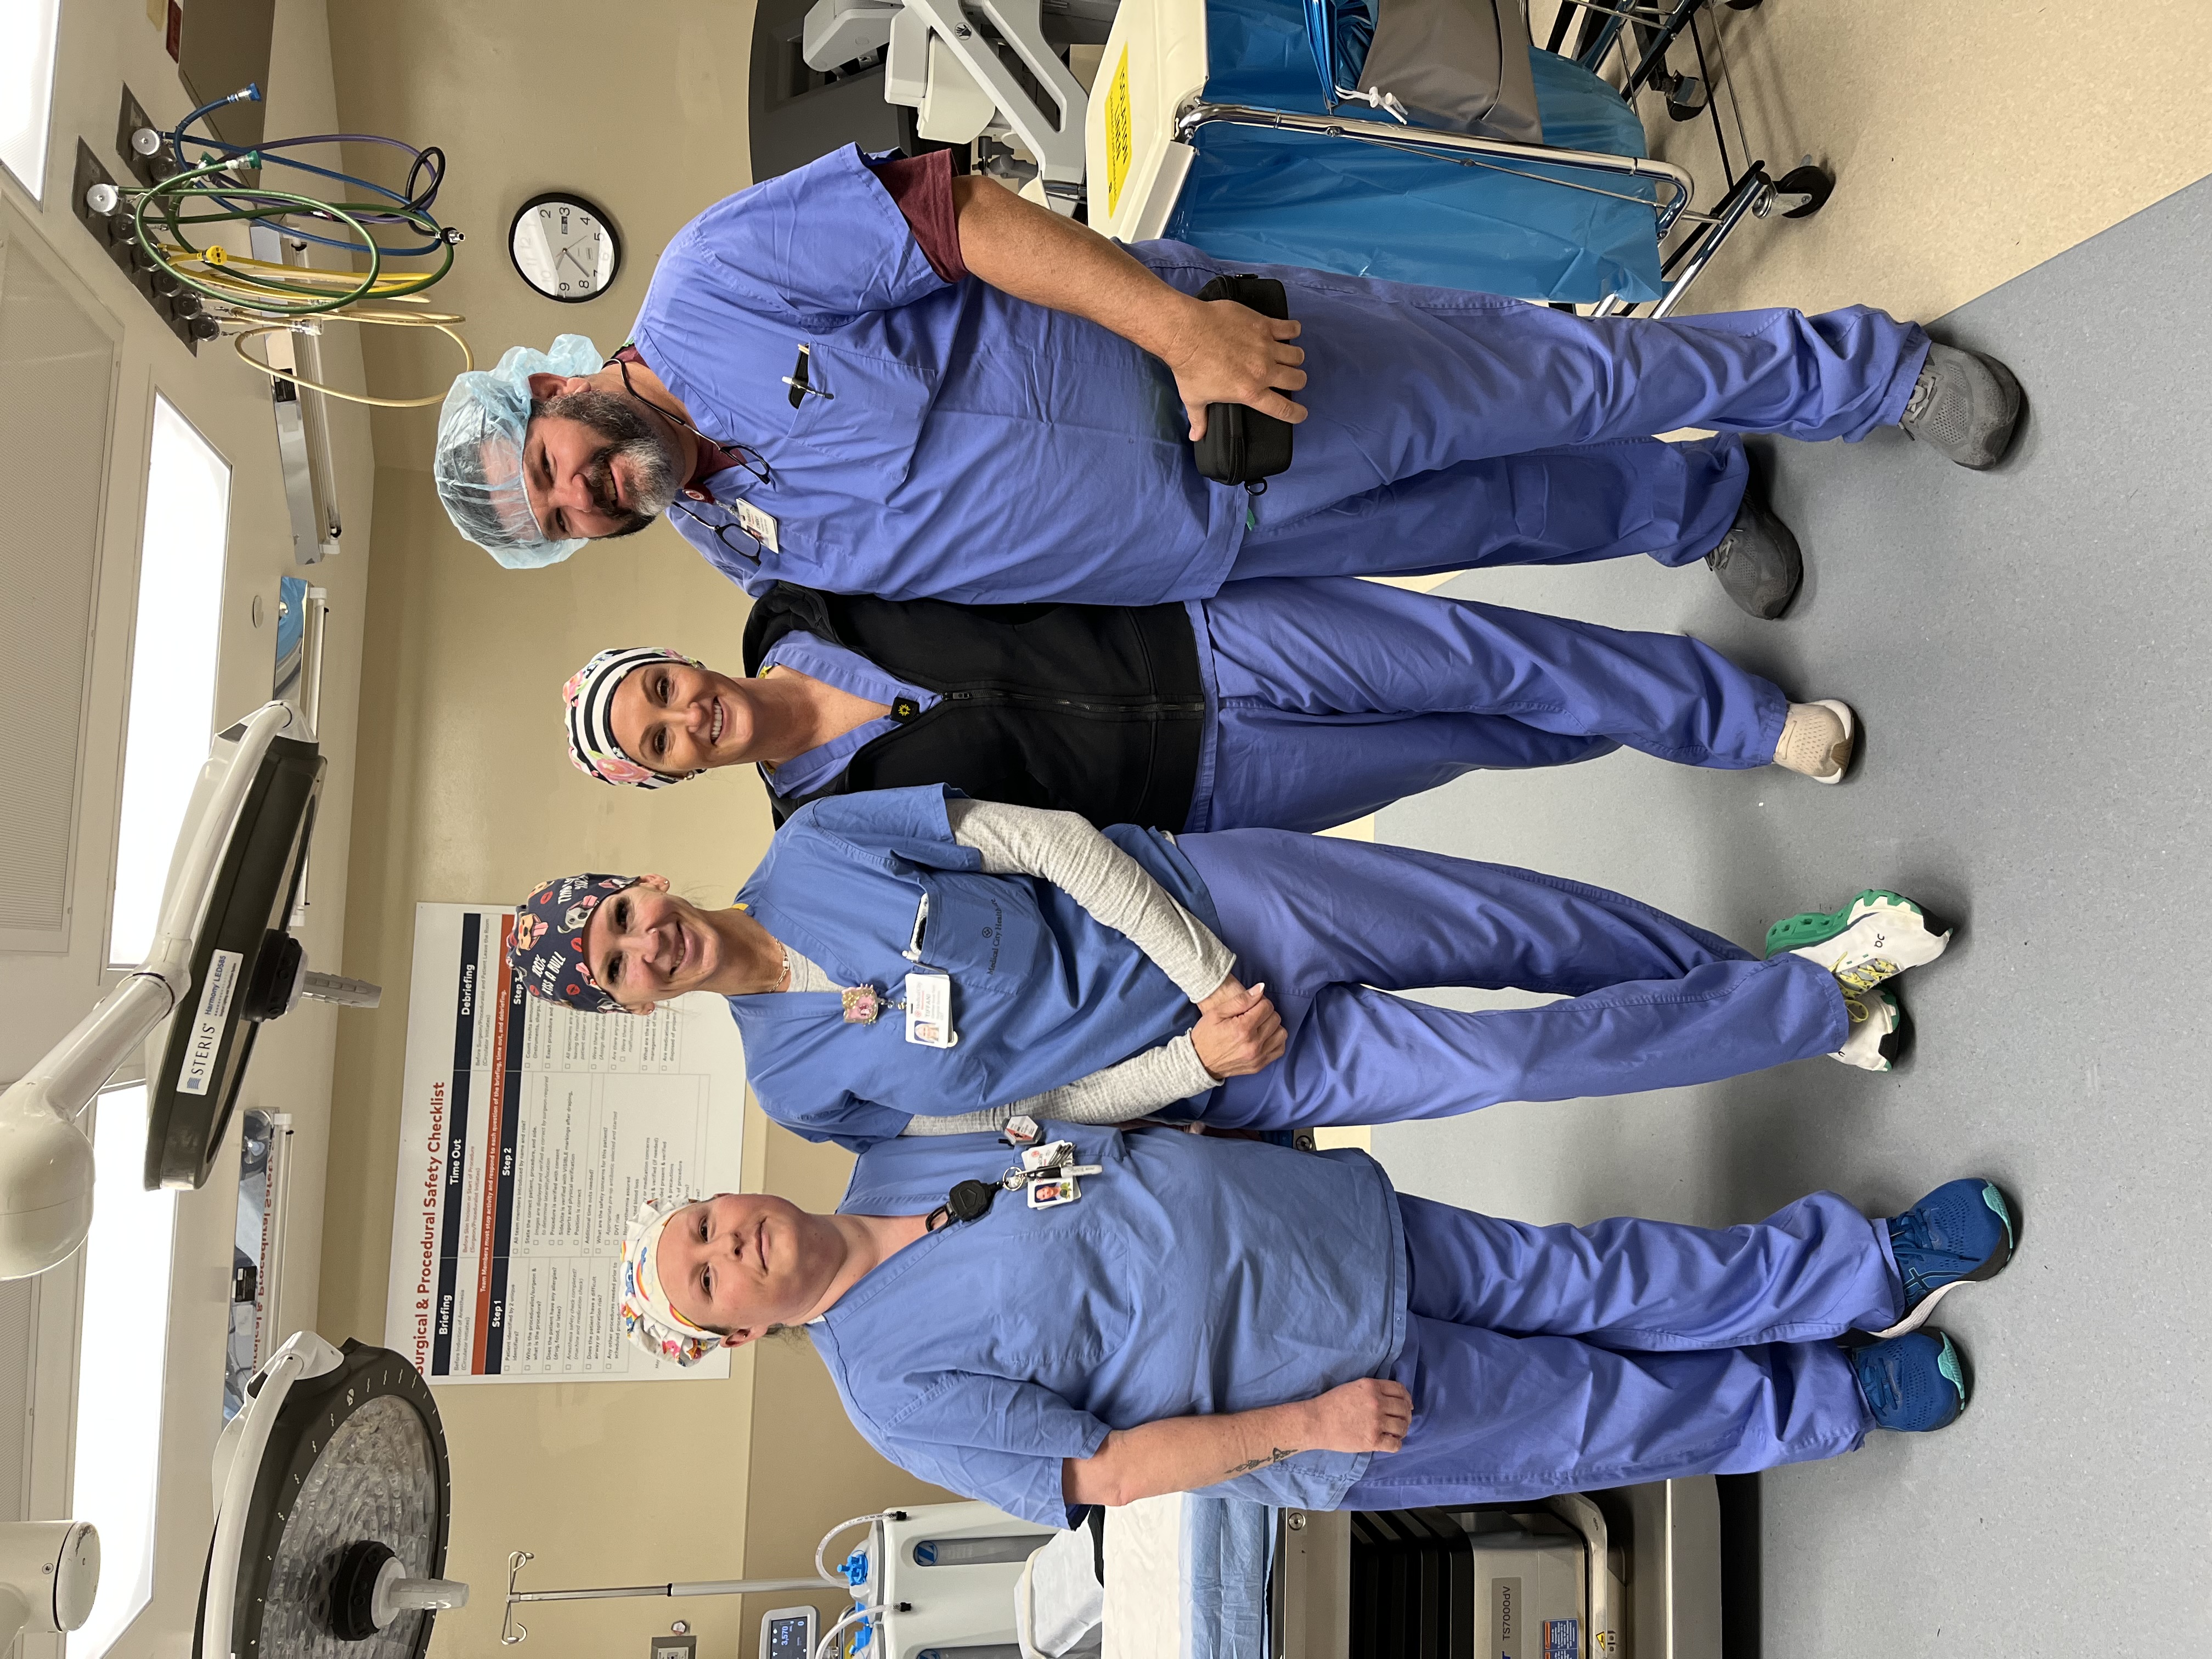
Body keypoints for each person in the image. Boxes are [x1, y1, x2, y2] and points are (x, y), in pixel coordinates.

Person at [431, 146, 2024, 620]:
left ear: (557, 387)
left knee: (1558, 375)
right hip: (1222, 542)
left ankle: (1859, 374)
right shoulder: (725, 542)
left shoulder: (710, 285)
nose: (585, 490)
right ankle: (1694, 503)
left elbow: (954, 214)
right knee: (1504, 512)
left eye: (557, 458)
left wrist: (1187, 334)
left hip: (1216, 382)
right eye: (561, 517)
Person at [613, 1126, 2017, 1522]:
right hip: (1330, 1393)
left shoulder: (896, 1157)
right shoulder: (888, 1389)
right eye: (710, 1279)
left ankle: (1863, 1265)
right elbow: (1101, 1470)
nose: (729, 1244)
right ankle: (1843, 1398)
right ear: (737, 1335)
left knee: (1603, 1276)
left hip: (1335, 1231)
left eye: (706, 1225)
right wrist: (1303, 1427)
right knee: (1603, 1412)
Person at [507, 791, 1953, 1151]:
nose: (649, 946)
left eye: (623, 918)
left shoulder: (818, 843)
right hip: (1237, 1058)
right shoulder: (798, 1091)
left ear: (642, 883)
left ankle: (1781, 985)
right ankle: (1809, 995)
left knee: (1521, 927)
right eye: (621, 971)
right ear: (634, 1006)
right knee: (1512, 1060)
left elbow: (1047, 842)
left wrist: (1204, 971)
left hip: (1219, 904)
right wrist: (1199, 1061)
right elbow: (1033, 1114)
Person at [560, 578, 1858, 831]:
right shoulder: (827, 834)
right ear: (672, 778)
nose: (687, 717)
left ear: (676, 658)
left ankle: (1733, 719)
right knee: (1464, 741)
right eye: (661, 744)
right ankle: (1655, 707)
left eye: (660, 692)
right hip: (1197, 795)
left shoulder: (810, 597)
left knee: (1471, 654)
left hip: (1197, 642)